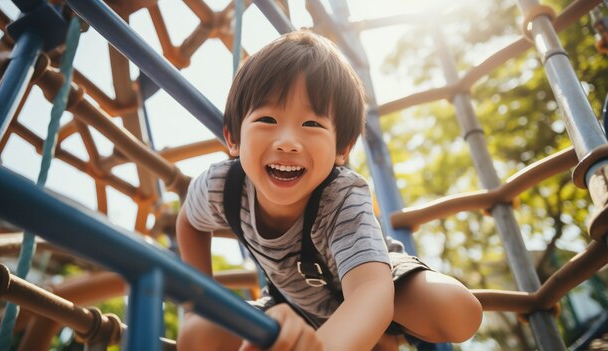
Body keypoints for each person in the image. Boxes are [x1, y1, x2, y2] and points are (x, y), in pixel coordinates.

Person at [176, 30, 482, 351]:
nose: (288, 142)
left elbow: (370, 291)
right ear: (233, 137)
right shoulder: (222, 186)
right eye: (267, 119)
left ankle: (378, 333)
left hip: (377, 279)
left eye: (312, 125)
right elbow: (189, 222)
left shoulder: (341, 196)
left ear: (342, 148)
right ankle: (366, 338)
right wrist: (198, 298)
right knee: (198, 333)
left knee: (459, 310)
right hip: (293, 302)